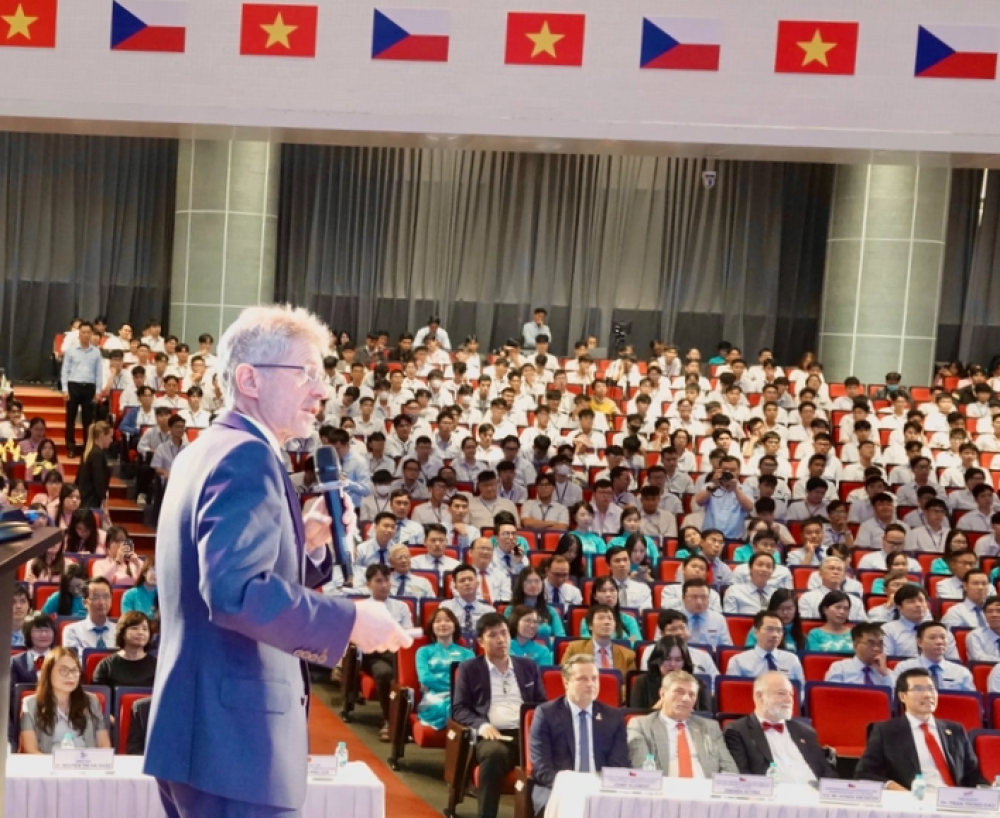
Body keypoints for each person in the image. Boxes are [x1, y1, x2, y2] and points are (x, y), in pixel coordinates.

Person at [144, 305, 411, 818]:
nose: (322, 390)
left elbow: (222, 578)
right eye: (306, 373)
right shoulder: (246, 457)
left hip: (203, 736)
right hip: (235, 747)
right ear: (250, 379)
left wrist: (304, 543)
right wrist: (350, 620)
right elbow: (235, 594)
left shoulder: (207, 450)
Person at [451, 613, 547, 818]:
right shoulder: (469, 669)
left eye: (504, 633)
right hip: (495, 735)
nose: (501, 639)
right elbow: (459, 708)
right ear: (481, 642)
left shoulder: (528, 666)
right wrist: (482, 725)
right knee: (493, 756)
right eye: (493, 635)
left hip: (528, 735)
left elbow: (541, 704)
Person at [529, 655, 630, 813]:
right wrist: (574, 788)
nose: (590, 684)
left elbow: (618, 764)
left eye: (594, 678)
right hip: (558, 790)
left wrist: (596, 789)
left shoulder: (613, 716)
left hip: (601, 790)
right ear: (566, 682)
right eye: (582, 679)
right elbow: (542, 768)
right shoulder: (546, 714)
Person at [855, 668, 987, 789]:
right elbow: (864, 773)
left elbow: (973, 774)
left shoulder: (956, 730)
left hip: (952, 799)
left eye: (931, 689)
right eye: (918, 689)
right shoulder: (886, 731)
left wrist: (989, 789)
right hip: (913, 799)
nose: (927, 695)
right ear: (902, 696)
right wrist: (893, 787)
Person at [723, 671, 838, 782]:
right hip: (773, 793)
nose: (789, 700)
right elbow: (742, 777)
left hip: (814, 793)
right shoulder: (737, 731)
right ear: (759, 696)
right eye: (781, 693)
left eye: (791, 694)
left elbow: (827, 773)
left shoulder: (806, 732)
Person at [627, 670, 738, 776]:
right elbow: (643, 771)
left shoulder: (710, 727)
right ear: (663, 694)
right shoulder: (641, 726)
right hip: (663, 787)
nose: (686, 699)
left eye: (691, 694)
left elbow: (730, 770)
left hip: (705, 787)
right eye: (679, 692)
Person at [20, 647, 111, 753]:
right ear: (48, 673)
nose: (71, 676)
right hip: (48, 761)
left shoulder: (92, 701)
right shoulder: (30, 704)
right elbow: (31, 749)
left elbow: (104, 745)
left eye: (75, 670)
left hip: (86, 761)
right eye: (64, 670)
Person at [415, 608, 474, 731]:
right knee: (453, 707)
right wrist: (454, 687)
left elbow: (470, 681)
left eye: (447, 620)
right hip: (433, 699)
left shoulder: (468, 654)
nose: (443, 624)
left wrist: (457, 691)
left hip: (460, 698)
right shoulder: (423, 652)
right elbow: (425, 678)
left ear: (455, 625)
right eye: (438, 621)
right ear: (432, 627)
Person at [630, 636, 711, 712]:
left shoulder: (698, 683)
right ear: (657, 660)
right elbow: (635, 716)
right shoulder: (642, 682)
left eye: (678, 660)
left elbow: (706, 717)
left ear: (685, 662)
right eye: (667, 659)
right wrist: (661, 704)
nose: (672, 664)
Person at [726, 611, 805, 686]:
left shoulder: (792, 660)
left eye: (779, 630)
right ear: (756, 632)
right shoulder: (738, 661)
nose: (775, 635)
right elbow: (733, 691)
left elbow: (801, 691)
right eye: (769, 629)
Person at [60, 321, 104, 459]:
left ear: (91, 334)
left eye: (88, 332)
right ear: (79, 334)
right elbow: (65, 370)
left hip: (89, 387)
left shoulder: (96, 352)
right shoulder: (71, 350)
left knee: (88, 420)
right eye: (83, 332)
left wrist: (98, 391)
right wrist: (64, 389)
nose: (85, 335)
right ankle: (70, 447)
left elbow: (99, 373)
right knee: (70, 418)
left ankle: (87, 447)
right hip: (73, 385)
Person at [893, 621, 975, 691]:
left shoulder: (961, 672)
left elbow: (970, 702)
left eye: (943, 637)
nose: (939, 642)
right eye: (932, 638)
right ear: (919, 642)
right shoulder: (905, 668)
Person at [561, 605, 637, 675]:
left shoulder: (627, 655)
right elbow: (563, 676)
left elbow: (630, 684)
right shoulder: (574, 649)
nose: (607, 622)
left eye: (610, 618)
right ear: (590, 625)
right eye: (601, 618)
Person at [92, 611, 158, 690]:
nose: (141, 633)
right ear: (122, 633)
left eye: (145, 629)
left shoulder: (157, 666)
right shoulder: (106, 666)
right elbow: (99, 695)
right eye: (134, 628)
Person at [440, 564, 496, 647]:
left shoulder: (489, 611)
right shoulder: (446, 608)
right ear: (455, 586)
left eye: (470, 579)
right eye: (462, 580)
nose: (467, 583)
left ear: (477, 583)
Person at [825, 623, 896, 687]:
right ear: (855, 645)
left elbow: (895, 696)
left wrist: (885, 675)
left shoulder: (887, 673)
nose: (877, 648)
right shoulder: (839, 668)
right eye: (871, 643)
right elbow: (832, 694)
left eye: (880, 643)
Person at [506, 567, 565, 643]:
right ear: (521, 584)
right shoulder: (511, 610)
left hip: (546, 649)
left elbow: (560, 638)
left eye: (537, 581)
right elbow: (508, 635)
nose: (533, 585)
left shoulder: (551, 611)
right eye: (528, 581)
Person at [62, 577, 117, 654]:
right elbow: (73, 660)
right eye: (95, 597)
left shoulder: (120, 631)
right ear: (85, 602)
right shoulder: (72, 631)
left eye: (106, 597)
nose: (102, 602)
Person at [579, 577, 643, 642]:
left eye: (612, 590)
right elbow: (587, 643)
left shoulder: (629, 620)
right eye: (603, 591)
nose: (608, 595)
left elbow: (636, 639)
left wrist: (628, 641)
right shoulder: (588, 620)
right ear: (595, 596)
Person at [75, 420, 113, 514]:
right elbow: (99, 480)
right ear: (102, 435)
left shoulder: (88, 452)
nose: (111, 440)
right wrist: (104, 503)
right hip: (92, 502)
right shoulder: (97, 454)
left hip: (86, 500)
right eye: (110, 436)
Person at [966, 594, 1000, 662]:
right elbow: (979, 658)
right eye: (990, 611)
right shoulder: (975, 636)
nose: (994, 615)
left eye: (999, 611)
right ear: (984, 614)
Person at [11, 583, 30, 648]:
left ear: (28, 605)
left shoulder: (37, 634)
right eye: (12, 602)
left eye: (22, 601)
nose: (18, 606)